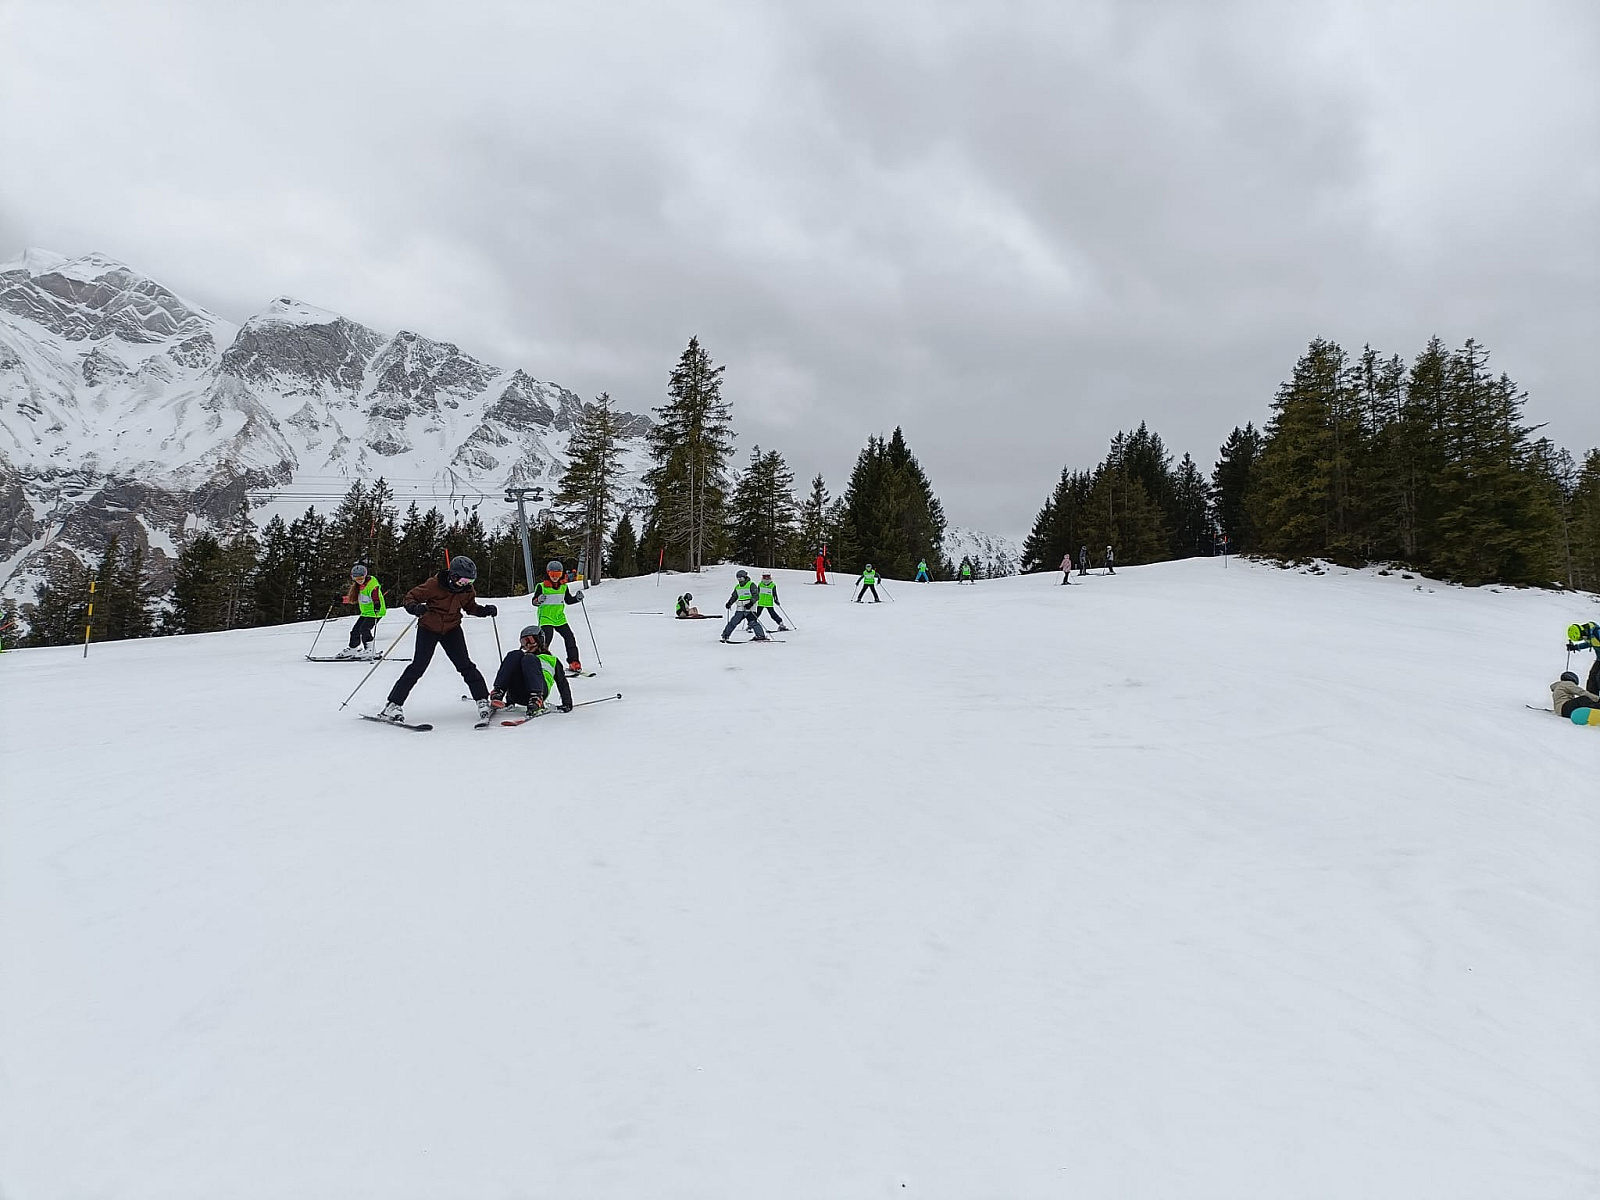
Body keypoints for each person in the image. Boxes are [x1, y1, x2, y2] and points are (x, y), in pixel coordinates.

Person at [379, 556, 498, 723]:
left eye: (470, 581)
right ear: (453, 576)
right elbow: (410, 597)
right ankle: (393, 705)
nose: (466, 584)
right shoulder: (434, 584)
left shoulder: (467, 590)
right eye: (463, 580)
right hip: (428, 628)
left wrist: (484, 611)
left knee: (465, 665)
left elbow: (470, 607)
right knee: (418, 666)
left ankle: (482, 700)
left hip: (452, 629)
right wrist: (415, 608)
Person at [489, 626, 574, 716]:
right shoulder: (520, 658)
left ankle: (536, 698)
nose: (528, 645)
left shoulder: (552, 660)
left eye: (530, 640)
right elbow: (511, 674)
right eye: (524, 642)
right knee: (515, 654)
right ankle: (498, 692)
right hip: (517, 694)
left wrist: (567, 703)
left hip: (540, 691)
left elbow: (562, 683)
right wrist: (510, 702)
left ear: (540, 640)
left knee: (529, 658)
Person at [532, 559, 585, 673]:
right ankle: (540, 662)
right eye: (552, 574)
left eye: (558, 574)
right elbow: (534, 602)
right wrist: (538, 600)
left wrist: (577, 598)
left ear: (561, 574)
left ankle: (574, 662)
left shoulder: (564, 587)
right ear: (548, 573)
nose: (555, 577)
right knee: (546, 640)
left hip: (559, 618)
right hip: (546, 618)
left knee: (570, 638)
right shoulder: (541, 586)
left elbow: (568, 600)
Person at [335, 562, 386, 659]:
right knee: (355, 631)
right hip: (366, 613)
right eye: (356, 578)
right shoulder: (357, 587)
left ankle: (370, 650)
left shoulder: (372, 585)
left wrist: (376, 603)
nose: (359, 580)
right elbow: (355, 599)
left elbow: (375, 596)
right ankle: (352, 649)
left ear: (365, 575)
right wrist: (341, 600)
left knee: (364, 629)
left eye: (361, 578)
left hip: (376, 612)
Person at [722, 569, 770, 641]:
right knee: (733, 622)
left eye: (741, 578)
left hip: (750, 608)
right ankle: (725, 635)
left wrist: (751, 603)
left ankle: (760, 636)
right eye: (738, 578)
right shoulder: (737, 587)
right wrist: (729, 603)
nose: (740, 580)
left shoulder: (751, 585)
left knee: (753, 622)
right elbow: (734, 596)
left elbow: (756, 595)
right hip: (740, 608)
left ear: (745, 577)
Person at [1567, 622, 1600, 693]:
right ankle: (1592, 698)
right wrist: (1575, 647)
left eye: (1581, 637)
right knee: (1592, 679)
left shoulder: (1597, 632)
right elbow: (1589, 643)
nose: (1583, 639)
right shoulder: (1589, 634)